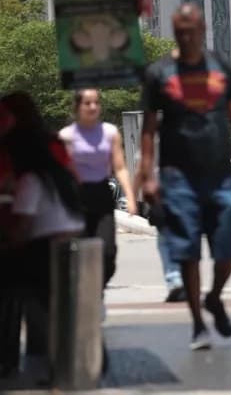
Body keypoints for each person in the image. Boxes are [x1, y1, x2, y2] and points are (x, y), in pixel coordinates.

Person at [137, 3, 231, 351]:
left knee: (227, 247)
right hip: (178, 178)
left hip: (220, 174)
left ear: (203, 29)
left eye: (192, 30)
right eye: (180, 31)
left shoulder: (219, 66)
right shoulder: (159, 73)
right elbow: (148, 130)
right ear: (175, 32)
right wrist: (147, 176)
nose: (186, 36)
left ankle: (215, 296)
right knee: (188, 252)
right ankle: (197, 324)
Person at [0, 92, 84, 371]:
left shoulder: (29, 175)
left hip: (38, 243)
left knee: (14, 285)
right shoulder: (51, 157)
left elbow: (21, 227)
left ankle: (16, 357)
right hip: (65, 237)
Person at [59, 89, 137, 290]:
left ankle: (98, 287)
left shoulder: (110, 132)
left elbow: (119, 167)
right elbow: (63, 171)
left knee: (108, 251)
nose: (93, 107)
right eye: (87, 103)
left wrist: (130, 197)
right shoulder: (67, 136)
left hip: (101, 192)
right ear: (77, 107)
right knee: (81, 248)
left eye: (96, 102)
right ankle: (85, 290)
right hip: (77, 194)